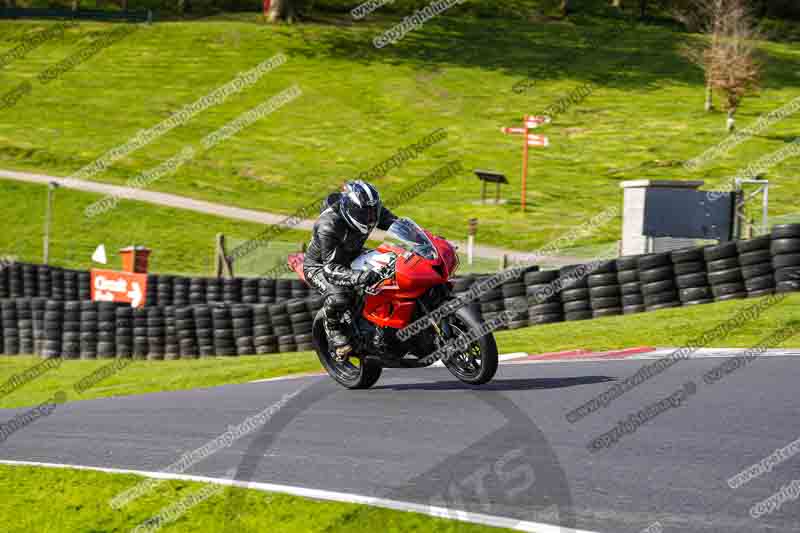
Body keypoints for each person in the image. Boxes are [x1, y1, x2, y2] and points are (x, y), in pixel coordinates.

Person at [304, 180, 398, 360]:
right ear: (351, 208)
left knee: (392, 262)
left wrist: (424, 238)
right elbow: (331, 269)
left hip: (352, 255)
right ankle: (333, 329)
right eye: (365, 212)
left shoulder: (372, 210)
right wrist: (360, 276)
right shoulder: (329, 225)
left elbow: (397, 224)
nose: (370, 217)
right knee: (340, 296)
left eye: (373, 211)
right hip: (320, 266)